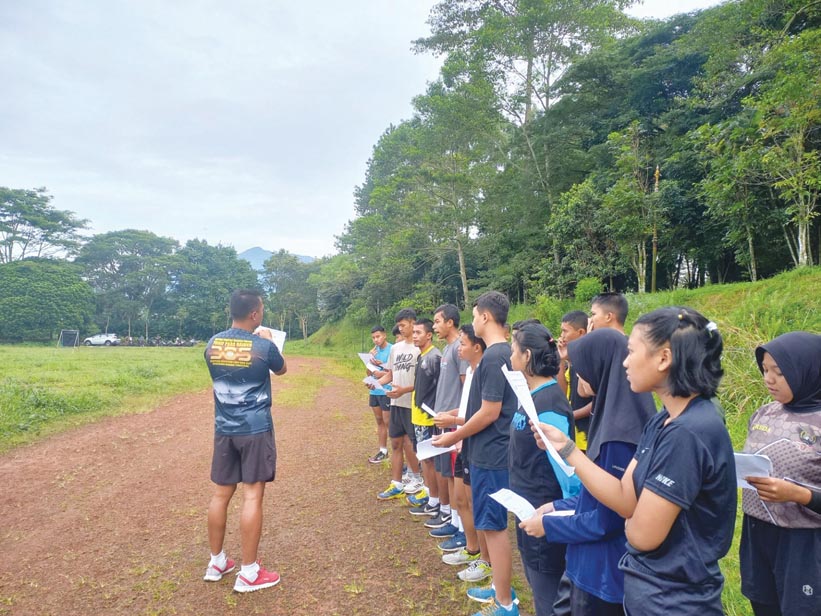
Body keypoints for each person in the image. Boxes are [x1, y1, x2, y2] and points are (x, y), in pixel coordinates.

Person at [532, 307, 736, 615]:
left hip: (676, 601)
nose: (625, 362)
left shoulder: (689, 432)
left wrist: (631, 517)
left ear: (664, 358)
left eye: (631, 352)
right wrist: (569, 450)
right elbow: (626, 501)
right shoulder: (663, 420)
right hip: (648, 592)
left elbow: (641, 535)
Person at [520, 328, 656, 614]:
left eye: (579, 369)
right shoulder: (611, 417)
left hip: (603, 577)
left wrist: (549, 526)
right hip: (587, 567)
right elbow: (595, 495)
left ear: (599, 369)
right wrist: (556, 506)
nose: (575, 377)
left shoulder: (619, 437)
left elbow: (607, 520)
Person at [433, 291, 519, 616]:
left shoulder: (496, 356)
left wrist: (454, 434)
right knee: (488, 524)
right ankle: (499, 590)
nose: (472, 321)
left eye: (474, 315)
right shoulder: (497, 355)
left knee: (494, 529)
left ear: (484, 316)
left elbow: (490, 412)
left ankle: (506, 604)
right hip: (485, 451)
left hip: (492, 454)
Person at [203, 289, 287, 593]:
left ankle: (217, 562)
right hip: (255, 429)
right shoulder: (263, 346)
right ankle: (249, 572)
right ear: (254, 314)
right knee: (252, 496)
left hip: (224, 429)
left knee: (220, 495)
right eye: (261, 309)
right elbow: (281, 368)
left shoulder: (212, 344)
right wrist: (269, 340)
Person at [740, 331, 821, 616]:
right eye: (764, 370)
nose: (768, 379)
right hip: (757, 534)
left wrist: (798, 494)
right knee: (763, 605)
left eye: (779, 372)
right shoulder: (763, 414)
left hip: (804, 544)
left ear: (807, 369)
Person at [509, 323, 579, 615]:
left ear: (526, 356)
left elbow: (569, 473)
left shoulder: (549, 403)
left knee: (549, 599)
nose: (510, 355)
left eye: (513, 350)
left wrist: (561, 515)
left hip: (545, 519)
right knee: (539, 591)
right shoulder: (531, 397)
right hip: (528, 511)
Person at [436, 325, 491, 582]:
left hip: (471, 442)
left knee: (475, 503)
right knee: (461, 499)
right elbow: (469, 407)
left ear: (477, 347)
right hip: (463, 441)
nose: (459, 348)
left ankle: (485, 560)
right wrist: (452, 415)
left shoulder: (483, 371)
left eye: (463, 344)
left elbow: (482, 413)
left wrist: (456, 425)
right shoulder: (470, 371)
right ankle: (472, 549)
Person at [375, 308, 422, 500]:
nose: (400, 329)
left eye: (403, 325)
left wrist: (404, 390)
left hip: (411, 404)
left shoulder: (419, 349)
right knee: (395, 442)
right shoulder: (396, 349)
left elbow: (422, 381)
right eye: (399, 325)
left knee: (411, 443)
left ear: (413, 323)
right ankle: (396, 483)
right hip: (395, 402)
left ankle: (416, 478)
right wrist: (377, 383)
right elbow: (391, 374)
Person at [409, 318, 443, 515]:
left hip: (429, 419)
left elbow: (441, 388)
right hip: (418, 416)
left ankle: (435, 501)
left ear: (429, 335)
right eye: (413, 332)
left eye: (418, 332)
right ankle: (431, 496)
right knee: (424, 459)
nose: (414, 336)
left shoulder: (434, 357)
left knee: (430, 460)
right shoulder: (422, 356)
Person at [557, 310, 593, 452]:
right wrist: (561, 359)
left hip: (588, 434)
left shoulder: (591, 360)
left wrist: (572, 415)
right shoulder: (572, 361)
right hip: (574, 433)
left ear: (581, 332)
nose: (562, 336)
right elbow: (563, 392)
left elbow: (597, 400)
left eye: (565, 331)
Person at [366, 326, 392, 464]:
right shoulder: (373, 352)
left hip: (386, 390)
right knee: (379, 421)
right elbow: (368, 373)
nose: (376, 340)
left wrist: (382, 366)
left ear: (384, 335)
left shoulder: (392, 350)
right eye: (373, 337)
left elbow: (393, 371)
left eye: (378, 336)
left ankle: (397, 451)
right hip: (374, 390)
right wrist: (369, 360)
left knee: (388, 422)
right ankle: (383, 450)